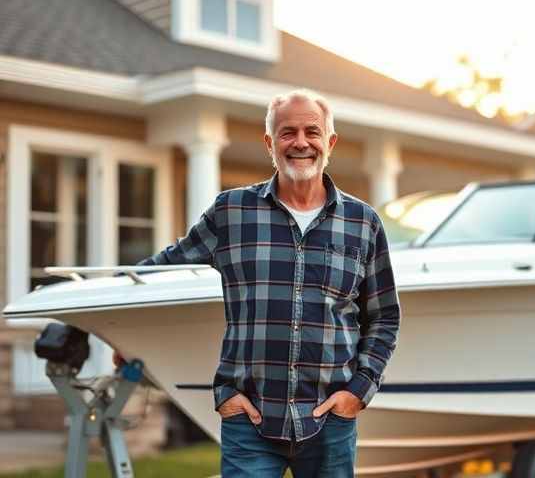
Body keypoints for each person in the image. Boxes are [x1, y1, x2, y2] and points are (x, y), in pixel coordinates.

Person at [133, 89, 401, 477]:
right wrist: (115, 327)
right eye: (287, 132)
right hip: (249, 418)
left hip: (330, 422)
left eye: (312, 131)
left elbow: (384, 317)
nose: (301, 143)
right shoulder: (231, 212)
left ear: (330, 142)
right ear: (269, 144)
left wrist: (358, 391)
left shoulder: (363, 223)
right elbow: (164, 267)